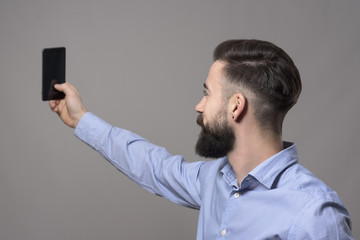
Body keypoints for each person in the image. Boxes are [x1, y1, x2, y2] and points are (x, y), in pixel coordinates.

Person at [50, 39, 353, 239]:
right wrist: (80, 119)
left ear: (236, 106)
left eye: (207, 93)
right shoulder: (214, 180)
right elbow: (152, 165)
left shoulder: (315, 214)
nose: (199, 105)